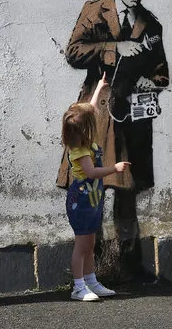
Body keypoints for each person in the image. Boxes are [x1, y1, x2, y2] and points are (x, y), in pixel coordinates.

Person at [56, 0, 169, 280]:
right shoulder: (95, 11)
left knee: (126, 192)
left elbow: (162, 73)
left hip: (132, 118)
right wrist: (113, 49)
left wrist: (153, 82)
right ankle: (96, 265)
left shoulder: (151, 25)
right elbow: (74, 51)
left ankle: (130, 264)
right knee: (93, 190)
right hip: (98, 115)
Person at [61, 73, 130, 301]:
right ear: (83, 131)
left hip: (91, 200)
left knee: (90, 245)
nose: (95, 124)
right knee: (81, 246)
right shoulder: (80, 151)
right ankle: (78, 287)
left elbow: (90, 109)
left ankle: (91, 282)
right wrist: (115, 168)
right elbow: (92, 173)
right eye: (91, 125)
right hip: (81, 202)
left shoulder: (83, 139)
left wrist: (99, 87)